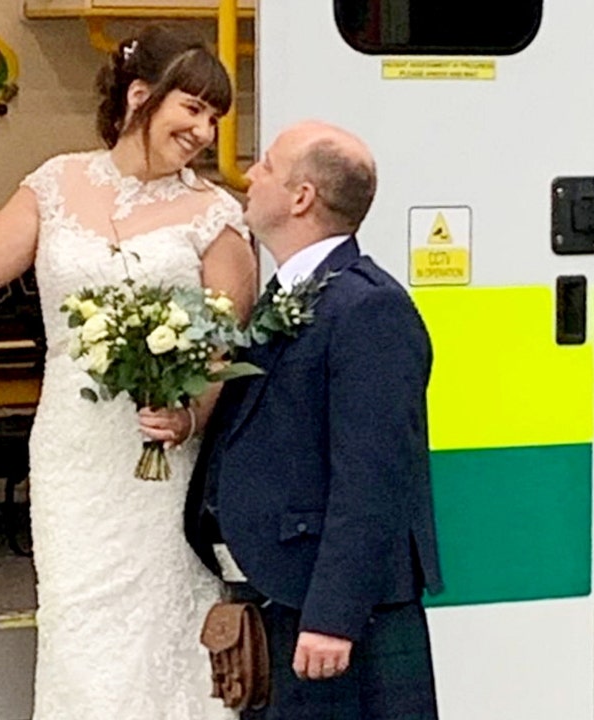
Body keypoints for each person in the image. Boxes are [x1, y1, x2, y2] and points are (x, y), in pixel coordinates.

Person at [0, 23, 257, 720]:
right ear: (142, 97)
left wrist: (188, 415)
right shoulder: (54, 182)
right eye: (194, 109)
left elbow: (224, 343)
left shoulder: (214, 212)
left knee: (162, 625)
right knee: (78, 628)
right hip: (73, 450)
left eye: (214, 117)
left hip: (159, 457)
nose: (206, 131)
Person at [186, 121, 443, 719]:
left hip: (330, 617)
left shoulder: (368, 307)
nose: (249, 173)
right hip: (283, 596)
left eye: (268, 166)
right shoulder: (287, 296)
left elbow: (372, 479)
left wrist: (333, 617)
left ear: (302, 197)